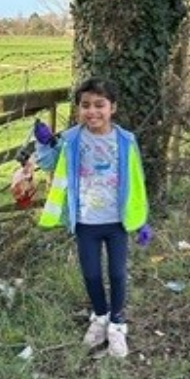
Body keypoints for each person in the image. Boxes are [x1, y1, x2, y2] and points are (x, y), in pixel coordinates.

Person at [35, 78, 151, 358]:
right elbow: (47, 163)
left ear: (113, 108)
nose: (92, 111)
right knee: (90, 273)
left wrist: (142, 219)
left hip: (116, 221)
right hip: (85, 221)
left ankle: (117, 325)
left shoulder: (125, 140)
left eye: (100, 105)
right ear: (78, 109)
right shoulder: (71, 139)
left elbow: (137, 181)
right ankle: (100, 316)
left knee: (118, 273)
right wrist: (43, 143)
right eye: (85, 105)